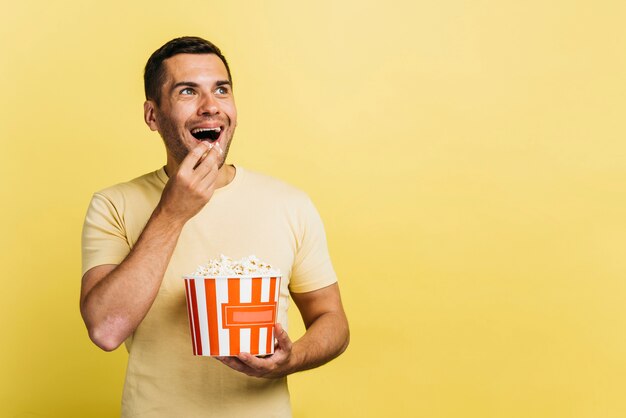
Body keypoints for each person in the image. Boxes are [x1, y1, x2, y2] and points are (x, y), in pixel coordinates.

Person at [80, 36, 349, 417]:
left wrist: (290, 359)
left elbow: (333, 320)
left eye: (221, 90)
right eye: (188, 91)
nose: (210, 107)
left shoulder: (289, 204)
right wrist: (172, 212)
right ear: (153, 116)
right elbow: (106, 330)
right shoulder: (113, 205)